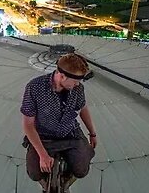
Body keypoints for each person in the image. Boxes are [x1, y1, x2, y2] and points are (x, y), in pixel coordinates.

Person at [21, 53, 97, 193]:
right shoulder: (35, 88)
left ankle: (64, 180)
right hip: (43, 136)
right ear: (62, 76)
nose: (77, 85)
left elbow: (83, 108)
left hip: (70, 133)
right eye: (75, 81)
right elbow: (28, 125)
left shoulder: (77, 89)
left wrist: (92, 133)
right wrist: (42, 154)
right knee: (34, 173)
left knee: (81, 170)